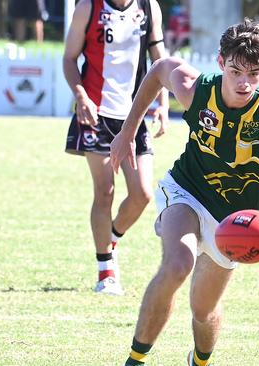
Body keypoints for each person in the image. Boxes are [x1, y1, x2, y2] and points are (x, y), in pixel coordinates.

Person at [110, 18, 259, 366]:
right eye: (236, 72)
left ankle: (199, 361)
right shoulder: (196, 89)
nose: (244, 83)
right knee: (178, 264)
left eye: (254, 74)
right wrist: (127, 132)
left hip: (234, 219)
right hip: (186, 189)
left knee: (204, 309)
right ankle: (134, 360)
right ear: (220, 62)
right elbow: (159, 69)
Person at [63, 0, 168, 295]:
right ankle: (105, 271)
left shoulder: (149, 7)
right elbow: (69, 59)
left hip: (133, 115)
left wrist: (162, 103)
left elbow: (160, 60)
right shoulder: (88, 7)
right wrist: (81, 96)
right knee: (105, 191)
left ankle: (110, 237)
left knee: (143, 194)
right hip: (95, 113)